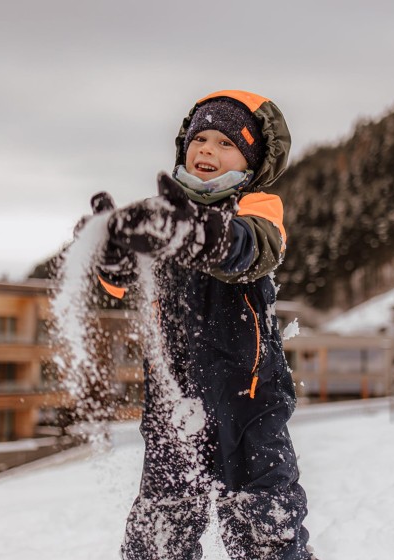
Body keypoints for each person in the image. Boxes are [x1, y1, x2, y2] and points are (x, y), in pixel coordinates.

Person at [90, 90, 315, 559]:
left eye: (226, 143)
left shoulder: (256, 209)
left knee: (266, 523)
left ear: (251, 159)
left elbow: (252, 250)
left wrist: (201, 235)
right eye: (200, 139)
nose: (208, 149)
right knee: (161, 532)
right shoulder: (160, 217)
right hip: (173, 405)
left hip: (250, 403)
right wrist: (110, 253)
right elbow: (117, 283)